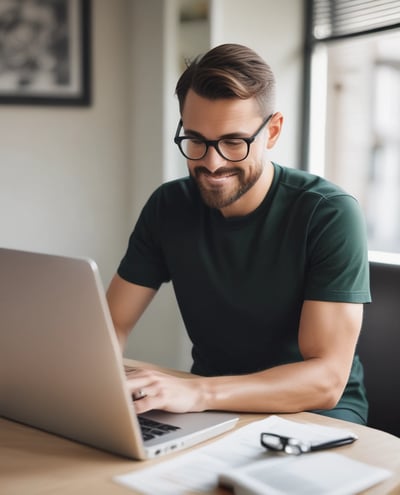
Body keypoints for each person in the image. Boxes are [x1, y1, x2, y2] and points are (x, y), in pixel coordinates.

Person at [106, 43, 371, 424]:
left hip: (313, 416)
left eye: (234, 142)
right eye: (196, 140)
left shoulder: (327, 213)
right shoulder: (169, 207)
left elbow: (326, 379)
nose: (212, 163)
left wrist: (198, 392)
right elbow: (111, 324)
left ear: (273, 131)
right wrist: (98, 391)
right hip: (209, 410)